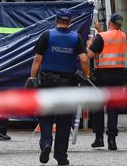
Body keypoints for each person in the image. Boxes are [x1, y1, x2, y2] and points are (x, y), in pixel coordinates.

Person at [28, 9, 89, 165]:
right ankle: (61, 156)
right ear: (70, 22)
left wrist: (32, 78)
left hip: (47, 83)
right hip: (68, 85)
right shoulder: (76, 38)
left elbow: (37, 60)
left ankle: (46, 143)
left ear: (56, 20)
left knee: (45, 116)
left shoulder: (47, 35)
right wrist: (86, 77)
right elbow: (83, 59)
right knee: (64, 121)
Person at [86, 13, 127, 151]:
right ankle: (112, 140)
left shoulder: (101, 37)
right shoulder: (123, 36)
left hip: (102, 75)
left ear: (109, 22)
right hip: (118, 75)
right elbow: (110, 39)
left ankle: (99, 139)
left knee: (98, 107)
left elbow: (89, 55)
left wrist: (90, 42)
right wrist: (100, 31)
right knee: (113, 108)